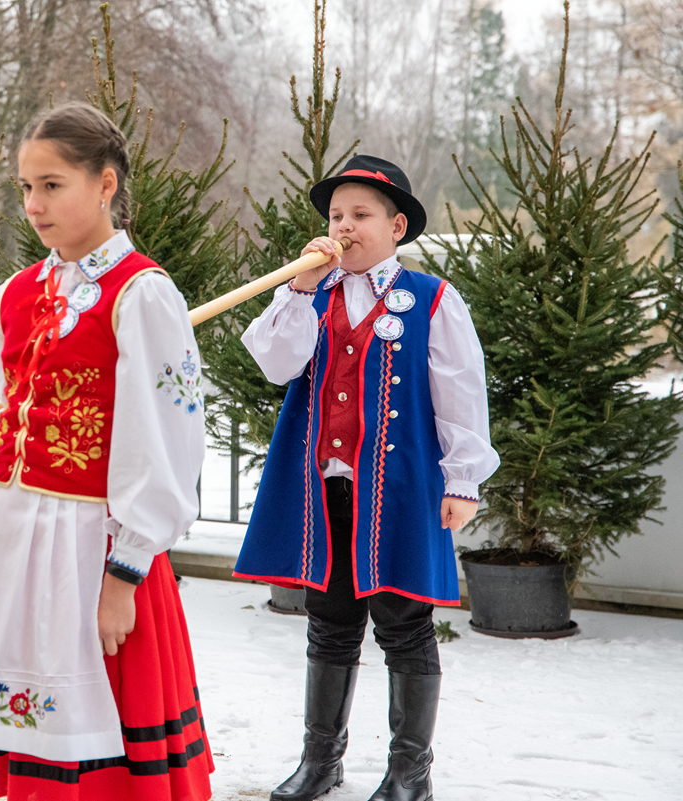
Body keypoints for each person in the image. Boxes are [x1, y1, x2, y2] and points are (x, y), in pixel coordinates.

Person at [0, 102, 215, 801]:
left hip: (90, 548)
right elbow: (20, 421)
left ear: (105, 184)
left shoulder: (142, 295)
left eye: (51, 185)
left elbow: (165, 442)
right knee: (30, 735)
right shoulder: (16, 293)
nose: (33, 205)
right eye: (25, 187)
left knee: (98, 745)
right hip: (12, 537)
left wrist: (124, 575)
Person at [233, 155, 499, 801]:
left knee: (404, 623)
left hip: (398, 489)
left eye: (360, 215)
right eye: (335, 215)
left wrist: (462, 480)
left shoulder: (432, 298)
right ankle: (320, 761)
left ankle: (410, 772)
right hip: (323, 485)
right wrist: (299, 288)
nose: (344, 227)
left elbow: (461, 393)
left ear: (396, 226)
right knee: (329, 621)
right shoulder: (309, 294)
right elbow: (275, 362)